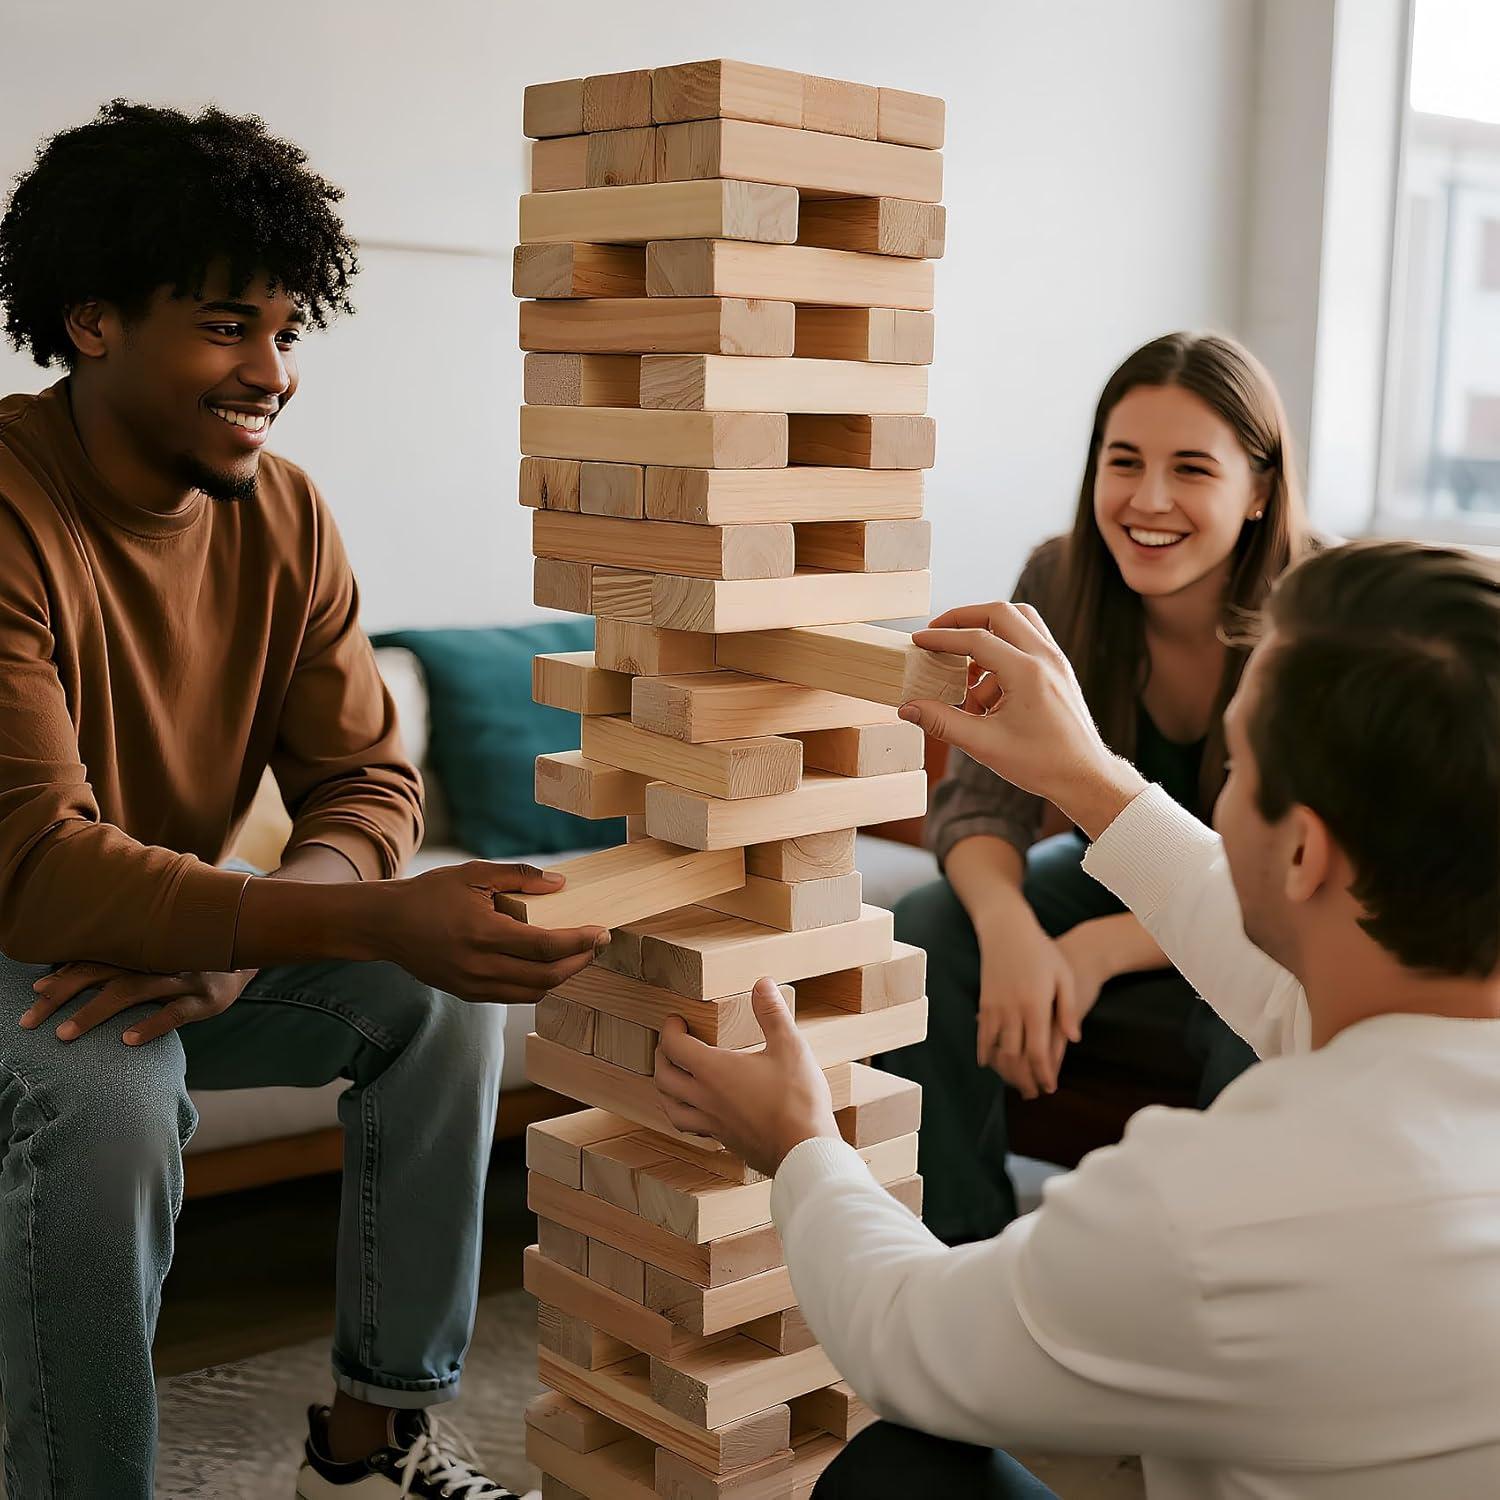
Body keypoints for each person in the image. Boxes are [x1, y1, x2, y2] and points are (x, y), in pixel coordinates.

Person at [0, 101, 589, 1499]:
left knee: (438, 998)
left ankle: (378, 1428)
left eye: (284, 330)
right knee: (112, 1097)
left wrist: (263, 931)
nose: (271, 370)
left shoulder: (286, 514)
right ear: (92, 321)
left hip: (164, 938)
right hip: (18, 943)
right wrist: (291, 921)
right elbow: (36, 865)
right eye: (224, 326)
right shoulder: (10, 512)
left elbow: (367, 778)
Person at [654, 540, 1500, 1497]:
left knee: (897, 1474)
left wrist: (801, 1144)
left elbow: (902, 1338)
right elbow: (1274, 974)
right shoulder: (1422, 1029)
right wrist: (1091, 777)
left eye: (1242, 761)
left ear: (1304, 850)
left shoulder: (1214, 1208)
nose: (1221, 795)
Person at [881, 331, 1313, 1243]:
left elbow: (1296, 877)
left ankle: (1214, 1285)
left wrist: (1095, 951)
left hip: (1268, 914)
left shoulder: (1322, 610)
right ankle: (950, 1259)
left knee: (1259, 1011)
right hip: (1106, 873)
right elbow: (979, 801)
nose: (1148, 501)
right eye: (1125, 463)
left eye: (1192, 469)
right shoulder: (1057, 579)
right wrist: (1010, 937)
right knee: (927, 927)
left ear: (1261, 488)